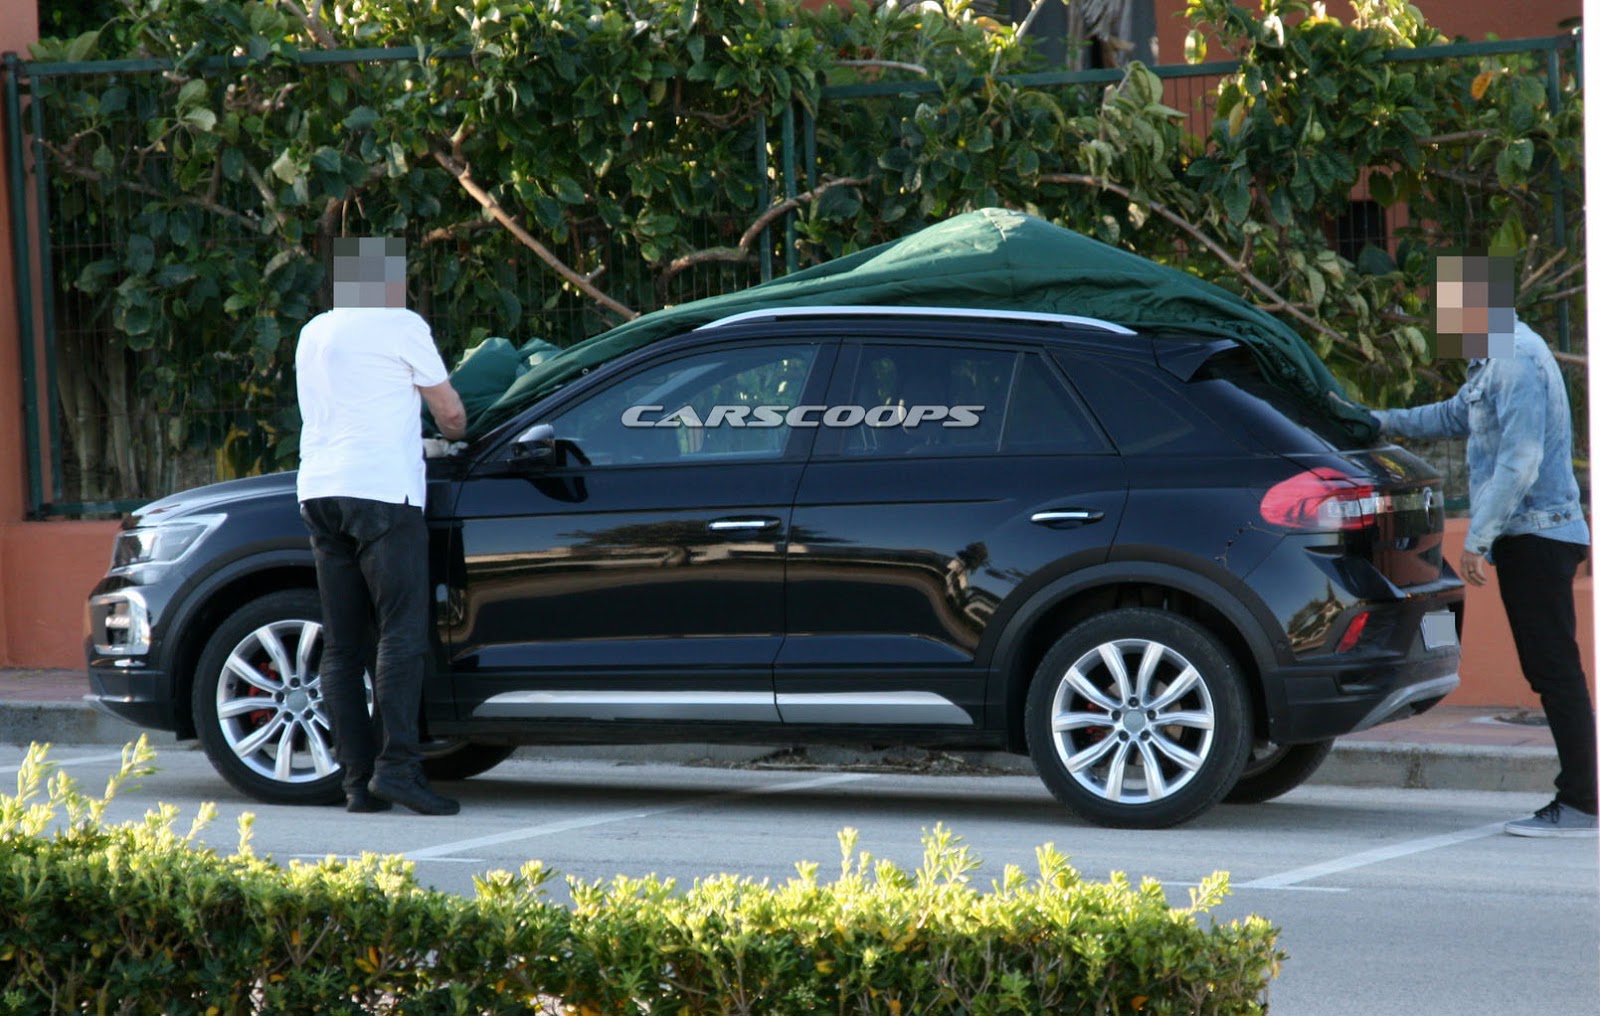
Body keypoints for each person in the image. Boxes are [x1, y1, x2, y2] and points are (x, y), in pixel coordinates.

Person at [1368, 253, 1595, 838]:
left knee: (1555, 671)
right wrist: (1377, 421)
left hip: (1537, 536)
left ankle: (1582, 802)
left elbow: (1520, 463)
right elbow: (1452, 416)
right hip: (1532, 536)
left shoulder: (1515, 360)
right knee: (1551, 669)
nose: (1445, 324)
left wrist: (1477, 540)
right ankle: (1582, 798)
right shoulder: (1495, 359)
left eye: (1450, 311)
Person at [295, 236, 469, 816]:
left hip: (320, 489)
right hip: (383, 492)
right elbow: (449, 412)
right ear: (388, 281)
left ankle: (356, 780)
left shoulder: (314, 331)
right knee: (400, 633)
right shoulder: (402, 325)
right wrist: (457, 432)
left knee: (344, 644)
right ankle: (398, 769)